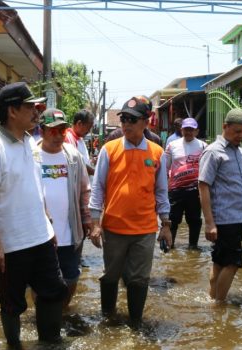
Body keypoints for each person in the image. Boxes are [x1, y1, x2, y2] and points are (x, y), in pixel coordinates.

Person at [0, 82, 68, 347]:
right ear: (12, 111)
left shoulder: (30, 141)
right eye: (30, 107)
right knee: (12, 302)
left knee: (54, 291)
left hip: (40, 236)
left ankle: (50, 342)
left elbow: (35, 186)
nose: (36, 111)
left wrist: (48, 223)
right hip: (11, 245)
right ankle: (14, 345)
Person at [88, 95, 172, 326]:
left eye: (132, 120)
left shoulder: (156, 153)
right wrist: (95, 223)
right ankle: (108, 320)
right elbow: (98, 188)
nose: (126, 124)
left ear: (146, 122)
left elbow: (162, 192)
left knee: (139, 280)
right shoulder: (109, 150)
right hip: (114, 228)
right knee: (111, 276)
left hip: (145, 230)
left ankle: (136, 324)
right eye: (124, 118)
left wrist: (165, 225)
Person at [198, 108, 242, 303]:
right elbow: (203, 186)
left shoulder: (240, 153)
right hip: (224, 219)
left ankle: (212, 298)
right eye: (237, 131)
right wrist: (209, 223)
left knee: (220, 261)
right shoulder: (213, 152)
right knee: (234, 262)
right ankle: (219, 306)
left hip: (239, 218)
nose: (241, 136)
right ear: (225, 127)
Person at [35, 108, 92, 308]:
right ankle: (43, 315)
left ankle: (62, 311)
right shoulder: (31, 155)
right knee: (39, 281)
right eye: (53, 130)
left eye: (62, 130)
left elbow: (85, 190)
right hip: (39, 234)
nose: (59, 135)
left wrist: (88, 221)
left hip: (70, 231)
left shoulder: (73, 156)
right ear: (41, 131)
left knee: (71, 276)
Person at [164, 117, 206, 249]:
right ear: (181, 130)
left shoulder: (203, 146)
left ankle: (193, 248)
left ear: (196, 131)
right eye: (186, 129)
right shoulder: (172, 145)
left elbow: (206, 169)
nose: (188, 132)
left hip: (195, 191)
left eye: (191, 130)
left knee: (194, 220)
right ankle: (169, 247)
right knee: (172, 220)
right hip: (175, 190)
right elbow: (166, 168)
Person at [65, 109, 96, 175]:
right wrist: (95, 172)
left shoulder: (80, 138)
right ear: (79, 124)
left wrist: (91, 161)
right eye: (88, 127)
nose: (88, 131)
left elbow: (82, 160)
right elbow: (77, 165)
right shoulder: (68, 138)